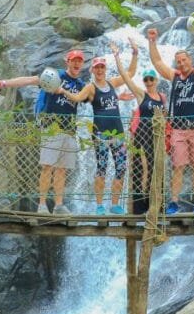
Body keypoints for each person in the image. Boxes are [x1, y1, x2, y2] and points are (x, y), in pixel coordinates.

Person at [0, 49, 87, 215]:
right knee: (47, 167)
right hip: (52, 127)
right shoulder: (55, 75)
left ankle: (58, 205)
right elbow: (30, 80)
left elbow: (99, 93)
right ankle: (42, 205)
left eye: (80, 61)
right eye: (74, 60)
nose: (77, 63)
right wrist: (5, 83)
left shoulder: (80, 85)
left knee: (62, 169)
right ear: (67, 61)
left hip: (70, 129)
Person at [147, 16, 194, 215]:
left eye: (184, 60)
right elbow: (158, 61)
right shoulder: (175, 76)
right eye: (178, 61)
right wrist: (152, 41)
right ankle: (174, 202)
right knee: (177, 166)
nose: (181, 63)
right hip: (178, 129)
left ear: (190, 60)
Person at [58, 42, 138, 214]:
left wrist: (135, 53)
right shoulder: (90, 87)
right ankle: (100, 205)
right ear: (92, 70)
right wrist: (63, 91)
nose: (100, 70)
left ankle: (115, 204)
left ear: (105, 68)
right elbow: (78, 98)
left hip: (118, 133)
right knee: (102, 167)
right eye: (97, 68)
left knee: (121, 167)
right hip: (100, 134)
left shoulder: (111, 83)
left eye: (102, 67)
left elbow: (130, 73)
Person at [115, 50, 168, 215]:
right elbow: (126, 78)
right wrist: (117, 57)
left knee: (156, 168)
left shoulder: (162, 97)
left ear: (156, 80)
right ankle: (139, 206)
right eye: (146, 79)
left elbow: (166, 117)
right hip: (142, 134)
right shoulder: (141, 94)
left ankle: (156, 204)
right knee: (141, 168)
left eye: (151, 78)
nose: (149, 81)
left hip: (157, 136)